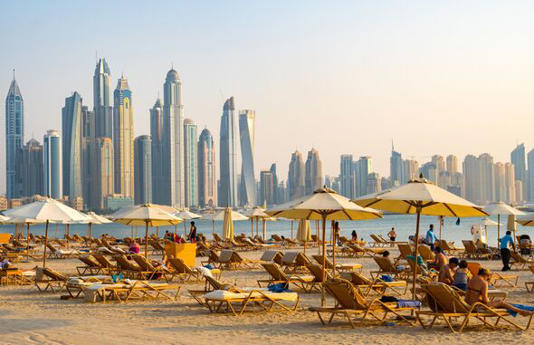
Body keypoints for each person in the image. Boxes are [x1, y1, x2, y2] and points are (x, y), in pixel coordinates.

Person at [465, 268, 533, 316]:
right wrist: (490, 301)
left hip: (467, 303)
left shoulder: (471, 279)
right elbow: (485, 300)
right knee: (501, 302)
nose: (488, 279)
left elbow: (469, 294)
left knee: (500, 303)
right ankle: (521, 311)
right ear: (486, 275)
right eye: (488, 277)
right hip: (476, 306)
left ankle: (521, 311)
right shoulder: (483, 282)